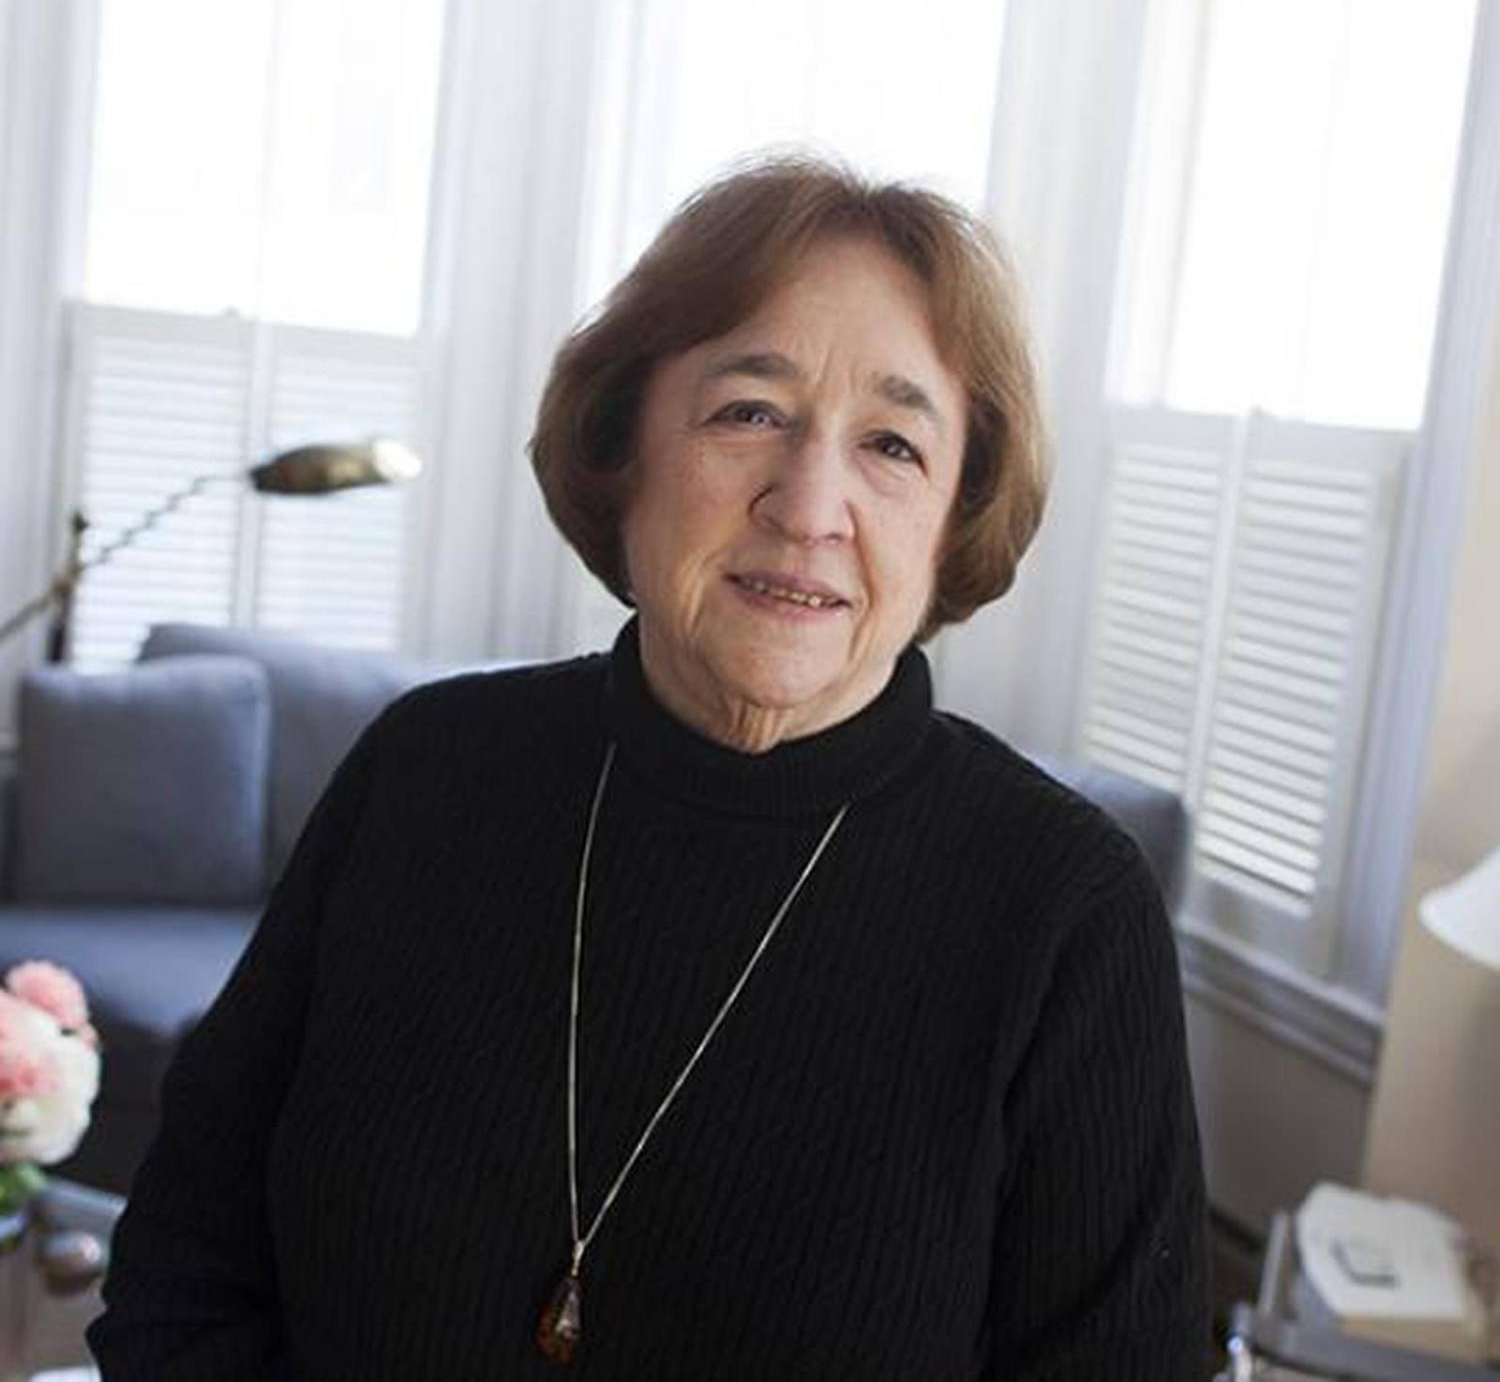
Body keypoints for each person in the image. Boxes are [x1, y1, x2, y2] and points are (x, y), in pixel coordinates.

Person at [88, 155, 1210, 1379]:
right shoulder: (427, 774)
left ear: (955, 519)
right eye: (750, 412)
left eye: (892, 444)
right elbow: (191, 1249)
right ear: (622, 443)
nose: (809, 503)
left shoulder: (1065, 910)